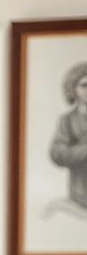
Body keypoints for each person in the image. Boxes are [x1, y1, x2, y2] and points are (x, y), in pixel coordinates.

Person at [49, 61, 87, 211]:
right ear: (73, 88)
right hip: (81, 196)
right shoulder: (68, 121)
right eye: (84, 85)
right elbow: (57, 153)